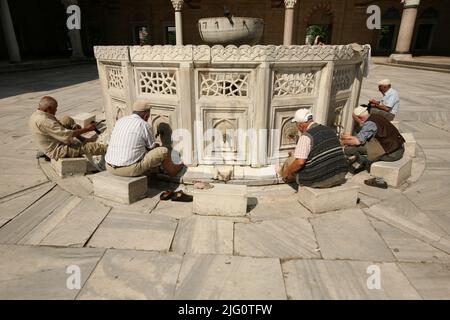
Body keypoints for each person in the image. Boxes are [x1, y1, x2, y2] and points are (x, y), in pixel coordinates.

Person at [105, 101, 184, 178]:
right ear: (146, 115)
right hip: (128, 170)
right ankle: (174, 171)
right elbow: (151, 147)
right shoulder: (143, 125)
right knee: (163, 151)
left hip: (109, 166)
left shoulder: (120, 121)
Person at [281, 108, 349, 188]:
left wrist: (286, 172)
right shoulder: (329, 130)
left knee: (291, 161)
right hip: (339, 175)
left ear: (301, 125)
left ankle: (285, 177)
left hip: (321, 180)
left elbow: (300, 162)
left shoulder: (306, 136)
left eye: (296, 125)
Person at [340, 106, 405, 187]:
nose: (355, 122)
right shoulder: (375, 117)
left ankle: (350, 168)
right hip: (397, 148)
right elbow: (361, 137)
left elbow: (357, 142)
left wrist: (342, 143)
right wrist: (348, 138)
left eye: (355, 120)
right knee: (362, 146)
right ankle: (357, 164)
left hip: (392, 154)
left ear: (360, 118)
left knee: (354, 149)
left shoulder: (369, 124)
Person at [29, 96, 106, 160]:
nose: (56, 110)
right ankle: (109, 150)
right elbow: (67, 135)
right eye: (55, 108)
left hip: (51, 140)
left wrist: (76, 128)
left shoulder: (36, 114)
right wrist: (87, 129)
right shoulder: (44, 121)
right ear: (48, 109)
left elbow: (55, 125)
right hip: (57, 150)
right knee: (90, 147)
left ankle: (84, 140)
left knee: (67, 119)